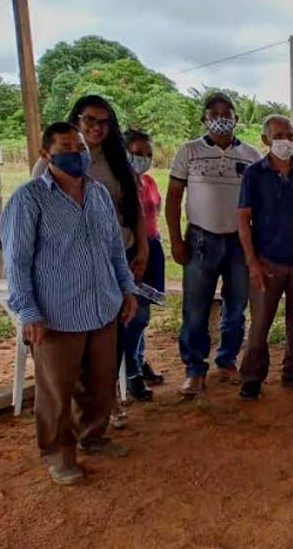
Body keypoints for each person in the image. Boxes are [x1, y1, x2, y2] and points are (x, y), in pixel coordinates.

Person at [1, 122, 138, 485]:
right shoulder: (29, 198)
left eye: (80, 148)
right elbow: (16, 261)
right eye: (65, 148)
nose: (76, 154)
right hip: (56, 314)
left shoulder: (98, 193)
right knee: (56, 392)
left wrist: (127, 289)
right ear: (46, 154)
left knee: (100, 383)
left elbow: (115, 248)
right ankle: (59, 454)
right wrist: (28, 311)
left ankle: (93, 437)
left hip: (102, 306)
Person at [32, 95, 148, 424]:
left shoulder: (118, 162)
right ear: (77, 120)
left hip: (116, 257)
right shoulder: (45, 168)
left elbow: (134, 210)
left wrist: (142, 250)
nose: (97, 127)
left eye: (104, 122)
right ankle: (70, 419)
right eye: (90, 120)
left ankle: (104, 400)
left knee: (114, 330)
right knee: (73, 338)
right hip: (68, 265)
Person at [167, 93, 262, 397]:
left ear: (237, 119)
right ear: (204, 119)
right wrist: (176, 239)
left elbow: (261, 201)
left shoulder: (251, 155)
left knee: (236, 307)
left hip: (239, 242)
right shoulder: (189, 151)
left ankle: (227, 360)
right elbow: (173, 197)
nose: (221, 119)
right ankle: (194, 369)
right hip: (200, 240)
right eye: (214, 114)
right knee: (196, 308)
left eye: (227, 114)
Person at [237, 115, 293, 400]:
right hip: (268, 262)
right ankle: (252, 377)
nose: (285, 141)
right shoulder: (254, 174)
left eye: (289, 135)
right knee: (260, 322)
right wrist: (252, 261)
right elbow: (244, 218)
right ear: (266, 139)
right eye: (278, 136)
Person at [120, 130, 167, 400]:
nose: (144, 159)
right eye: (137, 153)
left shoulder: (148, 182)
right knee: (133, 316)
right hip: (130, 253)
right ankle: (130, 373)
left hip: (152, 249)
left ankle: (138, 359)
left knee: (143, 315)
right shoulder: (117, 186)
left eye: (148, 154)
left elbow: (155, 213)